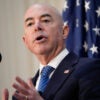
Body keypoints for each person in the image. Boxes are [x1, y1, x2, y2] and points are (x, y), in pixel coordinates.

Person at [2, 3, 100, 100]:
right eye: (30, 24)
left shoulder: (88, 68)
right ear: (26, 41)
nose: (37, 27)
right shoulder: (22, 94)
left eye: (45, 20)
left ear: (64, 31)